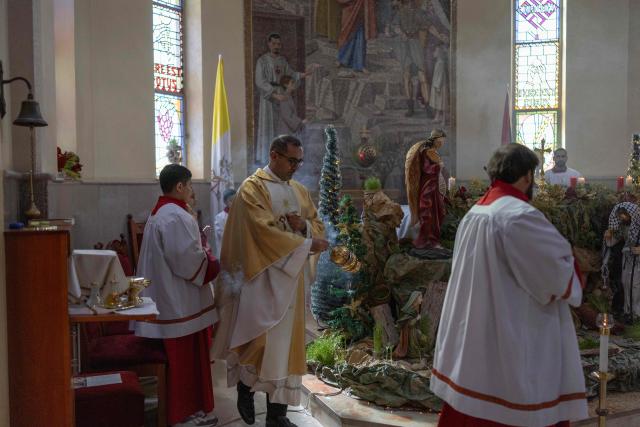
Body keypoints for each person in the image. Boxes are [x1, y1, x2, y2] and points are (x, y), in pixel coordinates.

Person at [431, 143, 588, 426]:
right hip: (512, 343)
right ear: (527, 176)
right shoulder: (519, 216)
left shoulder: (475, 213)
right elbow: (557, 277)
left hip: (476, 342)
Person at [211, 135, 328, 427]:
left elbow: (316, 223)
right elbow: (261, 231)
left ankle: (277, 416)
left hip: (292, 282)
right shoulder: (253, 189)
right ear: (274, 155)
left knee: (286, 349)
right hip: (261, 279)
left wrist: (306, 229)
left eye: (299, 161)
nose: (296, 167)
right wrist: (304, 245)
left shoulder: (299, 191)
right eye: (291, 160)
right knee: (258, 342)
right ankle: (245, 390)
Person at [133, 164, 220, 427]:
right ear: (180, 186)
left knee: (185, 361)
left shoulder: (164, 212)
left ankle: (189, 412)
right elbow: (186, 262)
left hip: (170, 299)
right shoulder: (174, 216)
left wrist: (199, 245)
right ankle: (181, 416)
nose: (192, 191)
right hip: (176, 304)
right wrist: (211, 260)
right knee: (183, 362)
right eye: (190, 185)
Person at [255, 33, 315, 165]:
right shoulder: (262, 61)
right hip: (268, 98)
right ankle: (267, 158)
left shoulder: (282, 61)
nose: (276, 46)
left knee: (281, 126)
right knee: (268, 126)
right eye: (274, 43)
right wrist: (275, 95)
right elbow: (260, 81)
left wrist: (305, 74)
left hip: (282, 95)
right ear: (269, 44)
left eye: (279, 44)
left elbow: (291, 74)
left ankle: (279, 157)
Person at [404, 128, 447, 249]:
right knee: (428, 213)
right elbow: (426, 169)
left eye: (443, 141)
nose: (442, 143)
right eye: (441, 140)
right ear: (435, 140)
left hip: (435, 186)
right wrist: (438, 167)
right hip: (428, 187)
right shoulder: (427, 152)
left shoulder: (434, 152)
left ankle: (434, 240)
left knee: (439, 213)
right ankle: (427, 241)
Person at [605, 202, 640, 322]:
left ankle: (636, 314)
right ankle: (628, 312)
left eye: (624, 215)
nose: (622, 218)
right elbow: (616, 239)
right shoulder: (624, 226)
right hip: (628, 259)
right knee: (626, 283)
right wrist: (609, 236)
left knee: (635, 286)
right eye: (620, 216)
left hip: (638, 262)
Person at [336, 0, 376, 72]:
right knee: (346, 34)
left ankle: (359, 64)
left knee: (360, 36)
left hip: (361, 9)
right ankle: (342, 59)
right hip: (349, 9)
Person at [214, 188, 236, 258]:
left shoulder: (240, 215)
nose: (233, 203)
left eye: (235, 200)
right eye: (231, 200)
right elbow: (222, 235)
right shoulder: (219, 217)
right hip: (225, 250)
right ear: (225, 202)